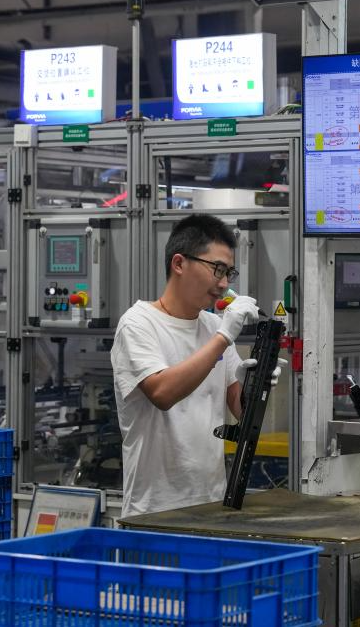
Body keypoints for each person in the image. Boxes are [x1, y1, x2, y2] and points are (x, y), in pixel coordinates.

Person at [110, 214, 285, 518]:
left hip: (211, 505)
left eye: (229, 273)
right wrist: (224, 338)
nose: (224, 284)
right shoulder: (138, 323)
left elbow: (242, 413)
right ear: (179, 263)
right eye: (217, 269)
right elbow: (162, 393)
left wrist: (258, 383)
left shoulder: (214, 326)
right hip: (154, 512)